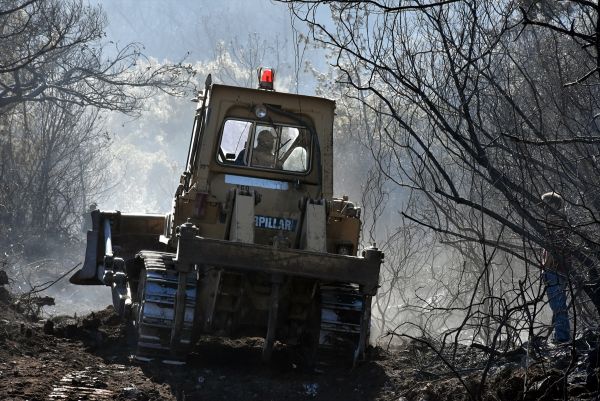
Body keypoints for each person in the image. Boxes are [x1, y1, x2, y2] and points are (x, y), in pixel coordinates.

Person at [540, 191, 571, 343]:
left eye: (546, 204)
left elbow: (559, 249)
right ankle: (560, 336)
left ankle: (563, 338)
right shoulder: (555, 223)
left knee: (558, 306)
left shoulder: (555, 222)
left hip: (555, 270)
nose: (543, 209)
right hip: (553, 270)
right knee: (557, 305)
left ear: (553, 205)